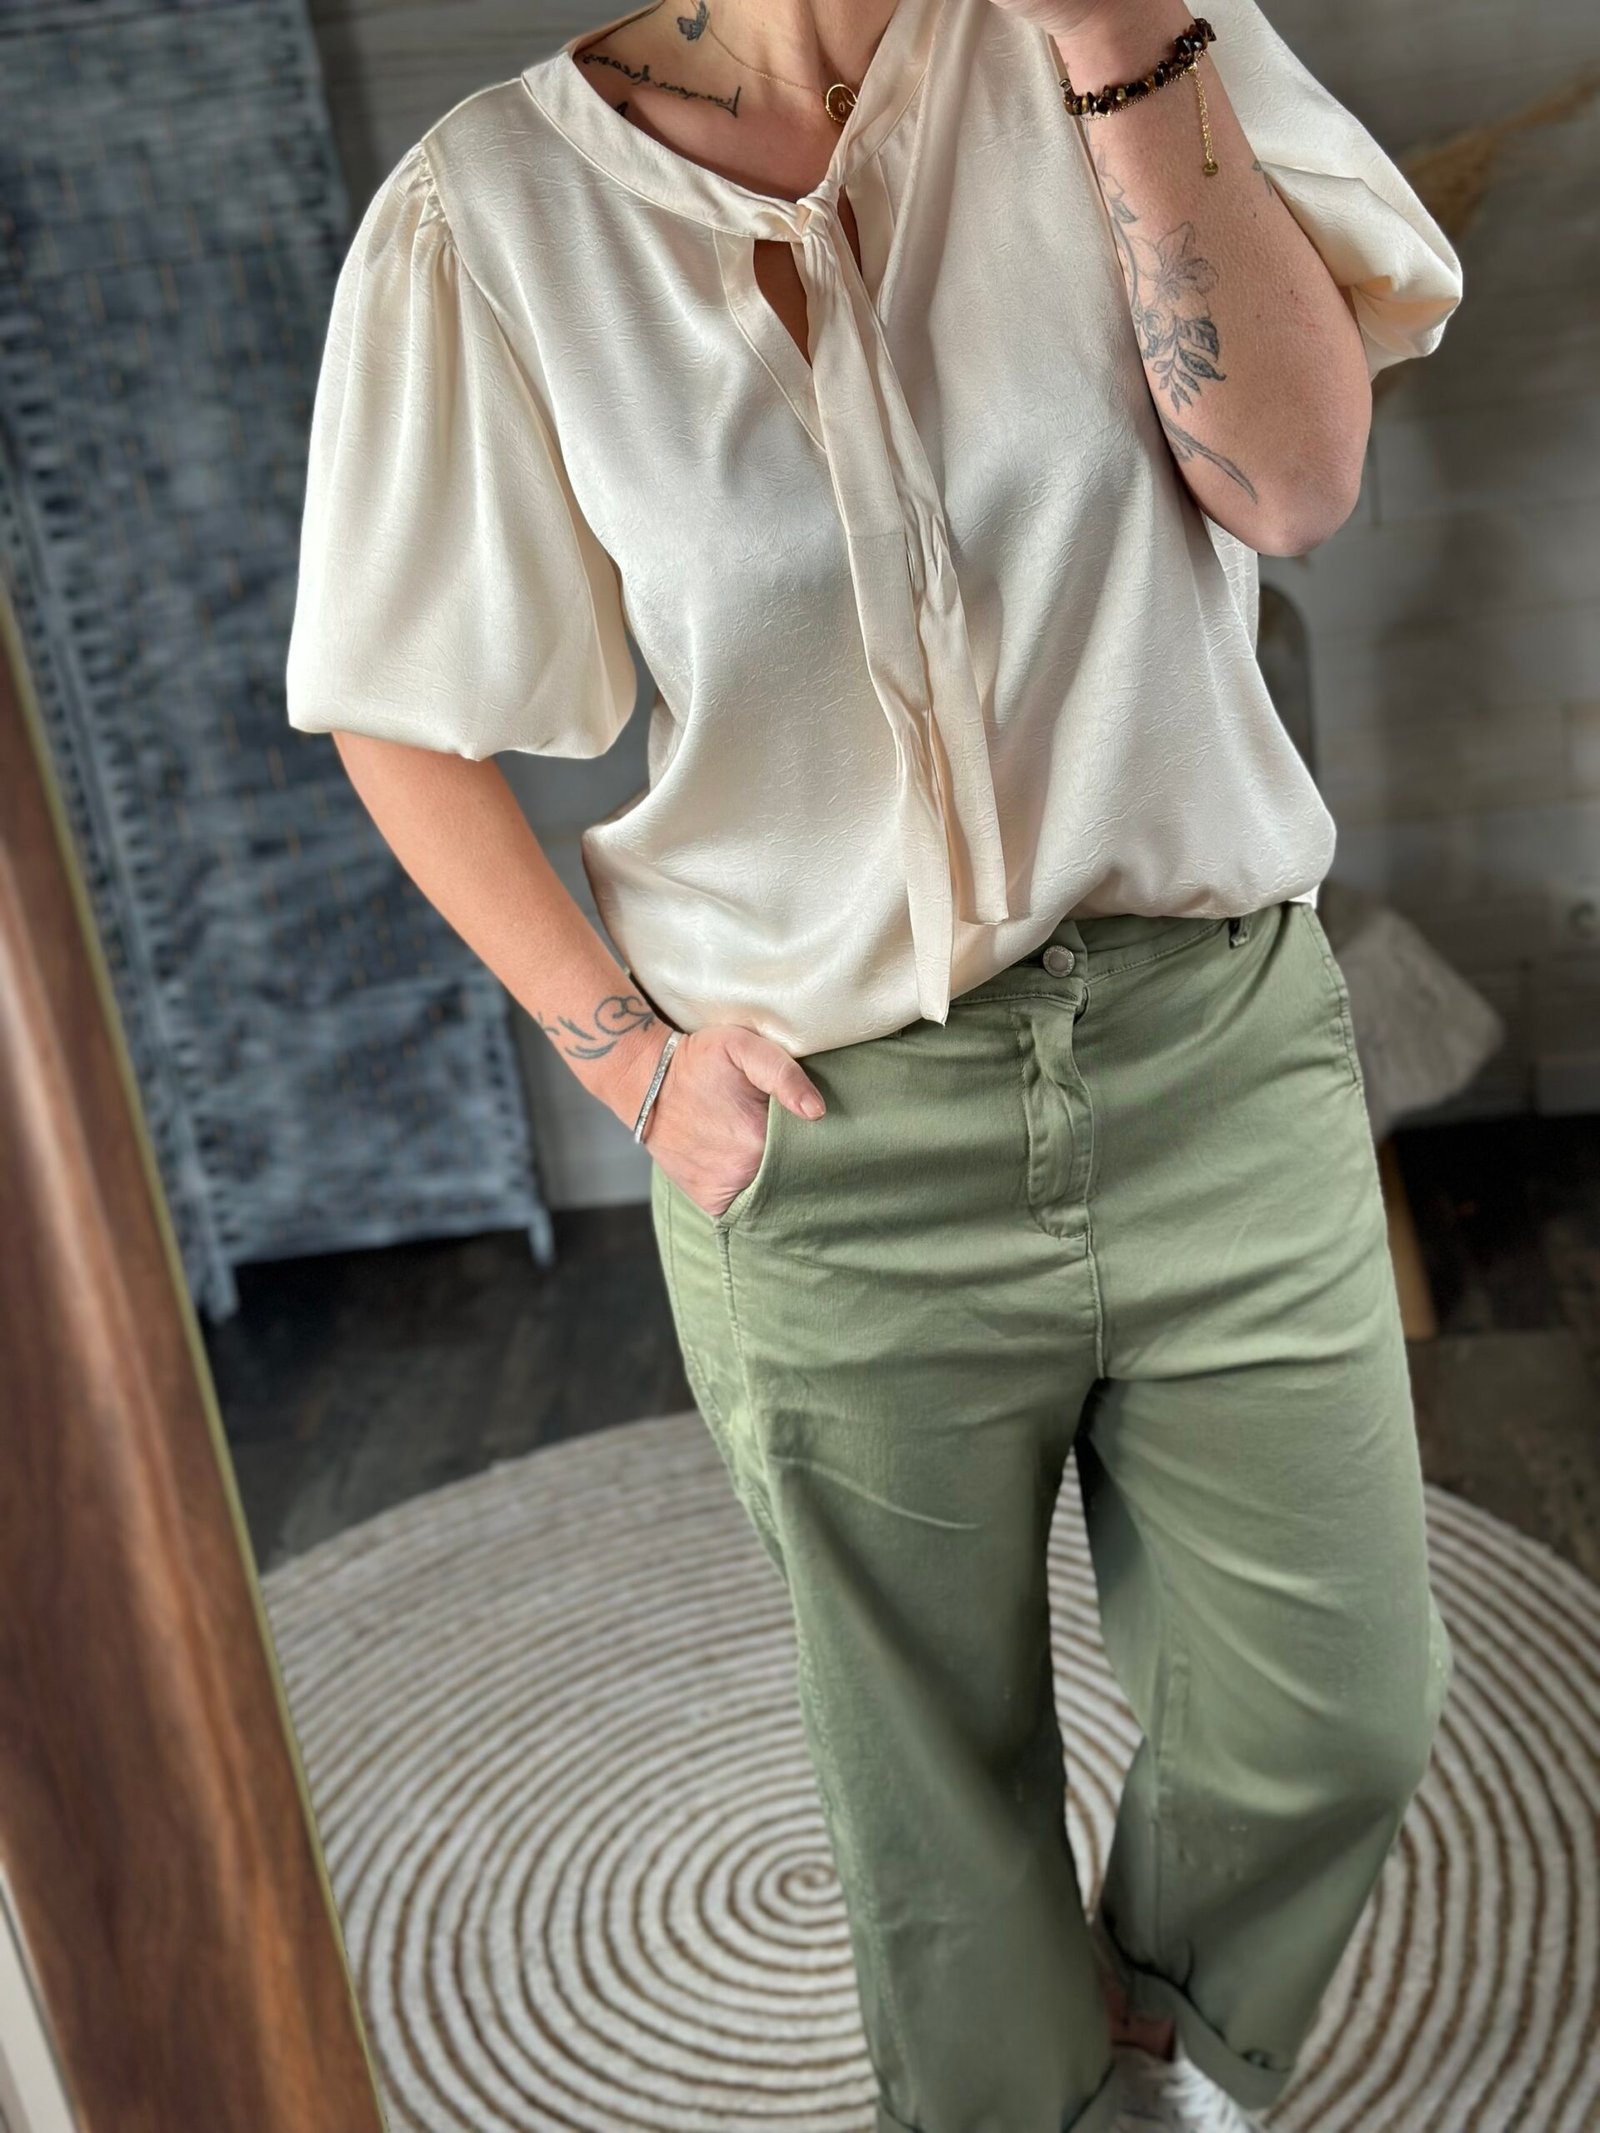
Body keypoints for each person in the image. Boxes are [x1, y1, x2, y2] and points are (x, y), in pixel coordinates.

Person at [284, 1, 1463, 2126]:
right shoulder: (498, 209)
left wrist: (1115, 39)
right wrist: (629, 1061)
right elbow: (395, 699)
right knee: (935, 1804)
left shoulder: (1129, 51)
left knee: (1336, 1714)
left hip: (1213, 1047)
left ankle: (1157, 2062)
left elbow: (1291, 482)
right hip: (835, 1146)